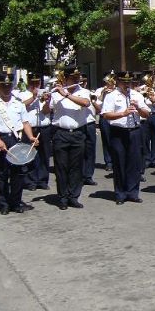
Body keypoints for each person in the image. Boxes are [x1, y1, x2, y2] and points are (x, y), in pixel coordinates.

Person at [0, 74, 39, 214]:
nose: (6, 89)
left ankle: (16, 202)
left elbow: (25, 122)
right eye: (3, 86)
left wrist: (31, 136)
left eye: (8, 86)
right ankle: (4, 204)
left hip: (16, 139)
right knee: (2, 173)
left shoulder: (18, 103)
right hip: (1, 139)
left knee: (18, 173)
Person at [43, 67, 91, 210]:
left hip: (78, 133)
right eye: (73, 78)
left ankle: (73, 196)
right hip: (60, 134)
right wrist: (46, 101)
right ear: (66, 78)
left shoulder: (83, 92)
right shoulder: (56, 93)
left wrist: (66, 95)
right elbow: (46, 111)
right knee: (61, 166)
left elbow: (86, 103)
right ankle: (63, 197)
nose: (76, 80)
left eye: (77, 77)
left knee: (76, 167)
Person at [101, 71, 150, 204]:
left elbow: (146, 114)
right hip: (118, 132)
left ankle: (133, 193)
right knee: (120, 163)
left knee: (134, 163)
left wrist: (138, 108)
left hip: (135, 131)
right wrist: (122, 113)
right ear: (118, 81)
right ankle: (120, 194)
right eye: (124, 82)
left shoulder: (137, 95)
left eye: (128, 82)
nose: (127, 85)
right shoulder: (111, 96)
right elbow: (106, 115)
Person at [12, 75, 52, 190]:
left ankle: (42, 180)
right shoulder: (21, 94)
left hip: (43, 127)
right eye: (33, 83)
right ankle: (30, 181)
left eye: (37, 83)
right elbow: (21, 106)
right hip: (29, 128)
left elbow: (46, 111)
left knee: (44, 155)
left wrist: (47, 102)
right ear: (29, 83)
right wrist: (34, 97)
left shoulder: (45, 93)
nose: (35, 85)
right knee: (30, 154)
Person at [138, 71, 155, 170]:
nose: (150, 79)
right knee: (145, 139)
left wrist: (154, 98)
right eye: (148, 77)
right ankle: (147, 159)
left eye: (151, 77)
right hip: (145, 116)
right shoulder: (141, 89)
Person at [94, 71, 116, 172]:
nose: (110, 82)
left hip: (117, 117)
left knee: (116, 140)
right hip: (105, 117)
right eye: (108, 79)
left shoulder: (117, 90)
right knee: (107, 140)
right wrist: (103, 93)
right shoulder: (100, 90)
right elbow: (98, 104)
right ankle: (109, 162)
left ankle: (117, 160)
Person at [79, 74, 98, 186]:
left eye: (83, 82)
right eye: (80, 81)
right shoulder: (74, 93)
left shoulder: (92, 93)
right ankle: (80, 174)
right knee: (80, 151)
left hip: (90, 123)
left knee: (90, 151)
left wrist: (94, 101)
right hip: (79, 124)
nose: (82, 83)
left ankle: (88, 175)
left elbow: (100, 109)